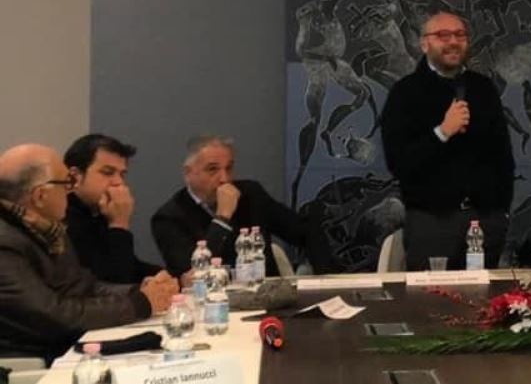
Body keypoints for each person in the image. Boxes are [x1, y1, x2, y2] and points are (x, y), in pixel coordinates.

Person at [0, 144, 176, 362]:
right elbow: (54, 316)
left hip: (65, 348)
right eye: (66, 183)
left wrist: (141, 290)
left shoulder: (48, 229)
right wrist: (141, 303)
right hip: (32, 362)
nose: (70, 190)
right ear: (40, 196)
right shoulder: (5, 244)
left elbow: (84, 286)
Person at [380, 10, 514, 270]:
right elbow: (399, 162)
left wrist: (500, 212)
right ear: (425, 44)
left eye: (460, 35)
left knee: (483, 295)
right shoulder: (405, 93)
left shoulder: (483, 88)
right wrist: (442, 132)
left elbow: (503, 156)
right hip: (431, 222)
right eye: (443, 35)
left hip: (485, 221)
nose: (453, 42)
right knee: (431, 295)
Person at [151, 136, 310, 277]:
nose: (224, 179)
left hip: (268, 295)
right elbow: (193, 273)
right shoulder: (168, 218)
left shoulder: (251, 194)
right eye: (212, 169)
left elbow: (303, 232)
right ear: (188, 173)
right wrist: (222, 218)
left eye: (229, 168)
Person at [63, 134, 163, 284]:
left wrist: (169, 276)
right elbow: (114, 282)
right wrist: (119, 225)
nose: (119, 182)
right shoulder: (62, 219)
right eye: (107, 172)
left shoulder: (99, 212)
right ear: (75, 177)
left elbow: (131, 266)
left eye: (122, 174)